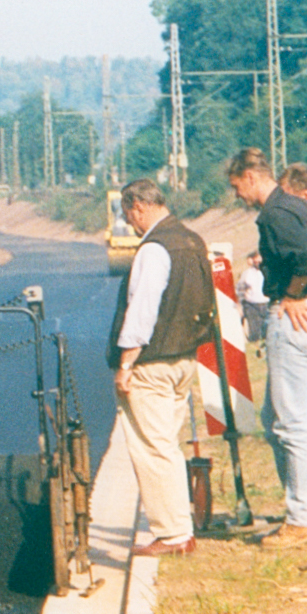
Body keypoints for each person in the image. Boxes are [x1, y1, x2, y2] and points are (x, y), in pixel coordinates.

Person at [108, 179, 216, 557]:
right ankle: (177, 528)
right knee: (166, 445)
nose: (132, 225)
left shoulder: (153, 249)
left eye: (129, 216)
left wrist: (126, 363)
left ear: (138, 206)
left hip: (152, 364)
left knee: (153, 449)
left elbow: (142, 311)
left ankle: (173, 535)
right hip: (185, 358)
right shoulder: (192, 240)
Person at [227, 148, 307, 549]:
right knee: (306, 416)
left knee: (289, 422)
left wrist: (291, 293)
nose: (238, 196)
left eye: (237, 187)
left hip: (295, 317)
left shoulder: (276, 213)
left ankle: (303, 517)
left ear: (250, 176)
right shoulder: (305, 207)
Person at [238, 252, 269, 343]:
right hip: (252, 306)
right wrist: (240, 306)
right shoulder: (246, 274)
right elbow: (240, 290)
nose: (257, 261)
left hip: (267, 304)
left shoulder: (269, 271)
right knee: (255, 333)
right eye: (255, 259)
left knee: (268, 332)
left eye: (259, 259)